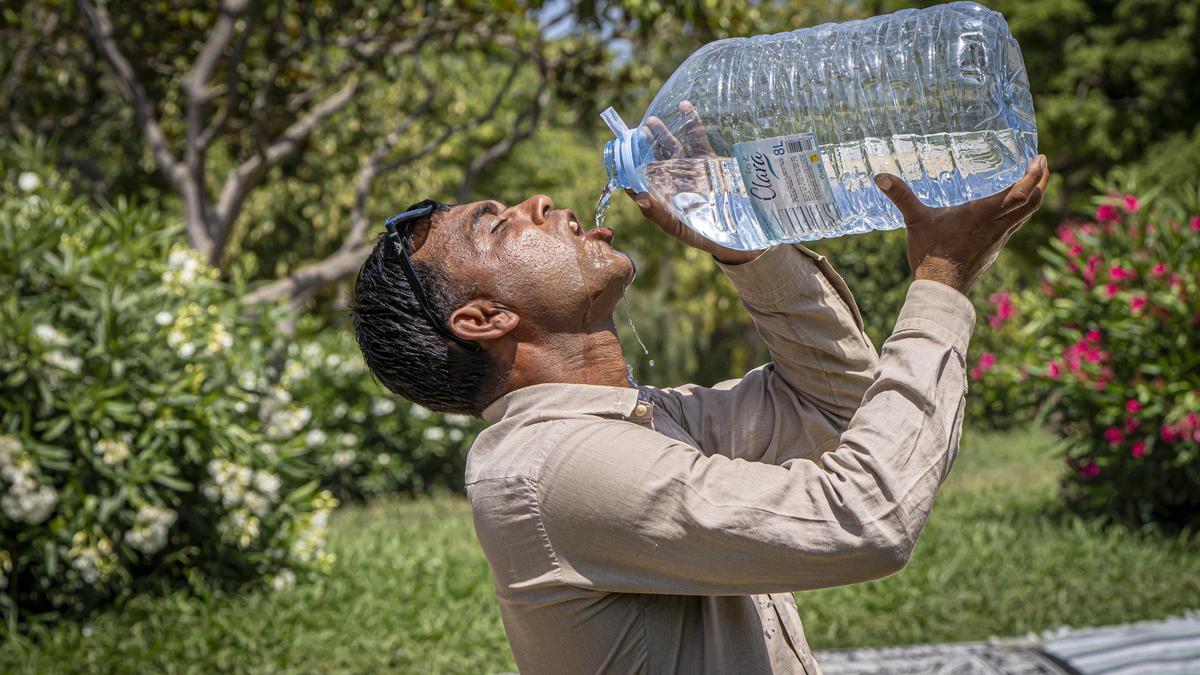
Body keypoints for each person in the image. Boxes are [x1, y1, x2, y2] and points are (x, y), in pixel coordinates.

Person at [351, 110, 1049, 673]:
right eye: (502, 224)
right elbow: (865, 520)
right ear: (482, 320)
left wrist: (744, 244)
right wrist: (942, 281)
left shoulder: (637, 424)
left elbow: (838, 405)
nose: (540, 202)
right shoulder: (557, 471)